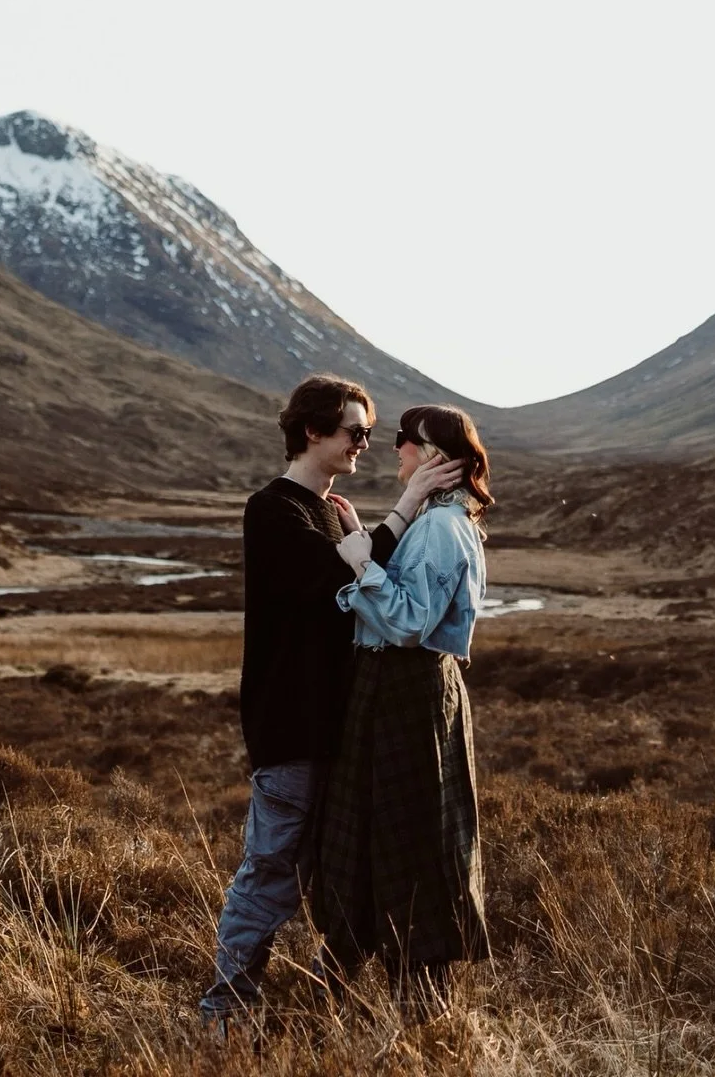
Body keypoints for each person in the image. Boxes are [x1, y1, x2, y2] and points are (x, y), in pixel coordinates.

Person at [199, 375, 462, 1030]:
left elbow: (362, 578)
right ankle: (223, 1008)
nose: (364, 444)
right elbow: (331, 582)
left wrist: (374, 531)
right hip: (292, 728)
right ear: (313, 431)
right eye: (353, 431)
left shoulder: (329, 511)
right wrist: (404, 506)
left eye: (370, 433)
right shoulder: (274, 509)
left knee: (340, 873)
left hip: (337, 732)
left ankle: (328, 999)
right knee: (271, 873)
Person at [311, 404, 494, 1023]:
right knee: (378, 836)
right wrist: (373, 535)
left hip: (407, 695)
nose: (394, 451)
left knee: (408, 841)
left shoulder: (444, 526)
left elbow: (412, 623)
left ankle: (426, 1012)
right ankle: (367, 998)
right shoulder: (430, 519)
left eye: (404, 442)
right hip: (393, 692)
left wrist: (361, 562)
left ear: (436, 457)